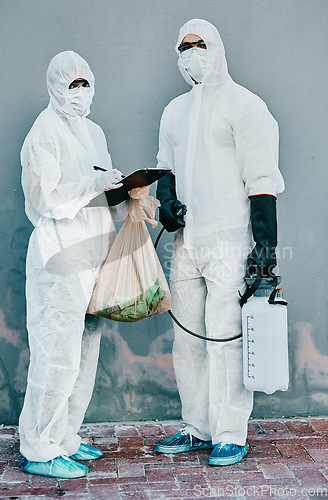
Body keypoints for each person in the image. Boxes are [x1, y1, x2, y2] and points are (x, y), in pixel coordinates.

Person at [154, 19, 284, 466]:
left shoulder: (245, 106)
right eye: (184, 47)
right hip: (187, 241)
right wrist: (167, 202)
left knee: (225, 338)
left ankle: (230, 431)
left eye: (200, 45)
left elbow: (262, 181)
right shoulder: (175, 111)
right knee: (187, 338)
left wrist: (263, 248)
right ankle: (198, 426)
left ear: (218, 48)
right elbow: (165, 168)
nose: (192, 54)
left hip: (229, 239)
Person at [18, 51, 123, 478]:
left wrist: (122, 187)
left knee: (85, 349)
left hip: (92, 251)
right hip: (59, 254)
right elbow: (45, 197)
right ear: (56, 86)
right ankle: (39, 448)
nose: (80, 93)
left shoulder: (93, 131)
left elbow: (96, 190)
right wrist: (93, 183)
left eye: (86, 84)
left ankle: (65, 438)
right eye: (72, 84)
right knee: (56, 350)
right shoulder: (43, 132)